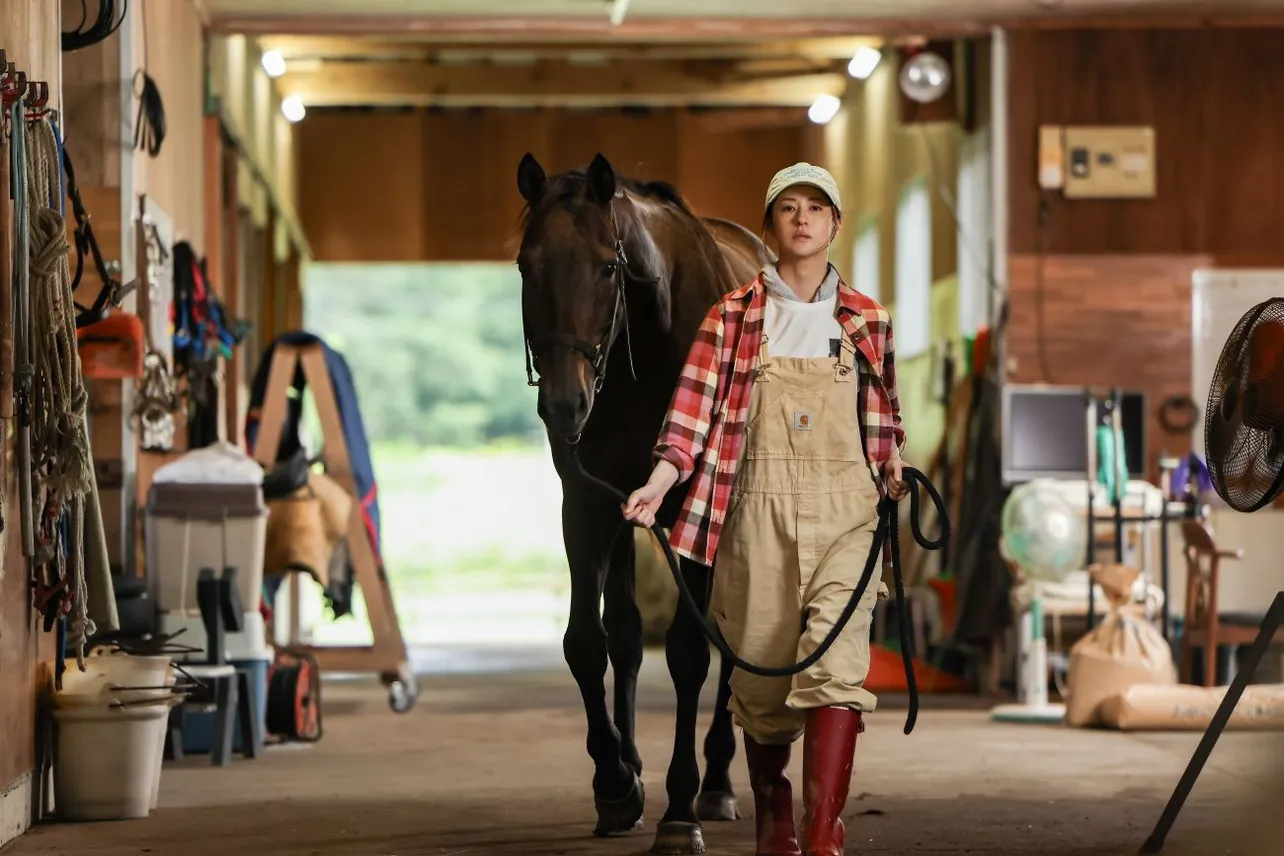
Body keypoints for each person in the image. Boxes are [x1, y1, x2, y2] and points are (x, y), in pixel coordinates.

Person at [622, 162, 909, 856]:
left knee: (836, 667)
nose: (803, 219)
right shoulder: (731, 318)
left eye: (817, 208)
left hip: (848, 514)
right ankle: (774, 821)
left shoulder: (868, 319)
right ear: (773, 224)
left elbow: (884, 418)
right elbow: (689, 420)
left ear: (835, 224)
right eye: (789, 208)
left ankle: (822, 830)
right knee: (760, 679)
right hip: (755, 516)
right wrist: (660, 482)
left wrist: (894, 463)